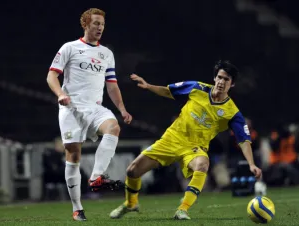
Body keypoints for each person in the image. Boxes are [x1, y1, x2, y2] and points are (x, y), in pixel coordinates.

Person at [109, 60, 262, 220]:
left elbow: (244, 140)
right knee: (132, 170)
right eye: (220, 77)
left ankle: (183, 209)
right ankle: (131, 203)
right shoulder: (197, 88)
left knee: (202, 164)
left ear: (232, 84)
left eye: (226, 79)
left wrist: (251, 164)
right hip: (171, 139)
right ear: (215, 78)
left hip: (194, 148)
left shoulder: (232, 112)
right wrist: (148, 86)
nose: (221, 82)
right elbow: (169, 91)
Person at [46, 8, 132, 221]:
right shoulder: (70, 48)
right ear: (85, 24)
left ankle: (96, 177)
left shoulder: (106, 54)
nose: (100, 27)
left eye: (102, 24)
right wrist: (60, 93)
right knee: (73, 155)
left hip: (95, 108)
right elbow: (51, 76)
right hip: (71, 108)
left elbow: (112, 85)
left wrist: (121, 108)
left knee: (113, 127)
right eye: (95, 23)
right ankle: (77, 208)